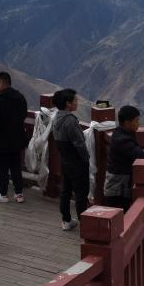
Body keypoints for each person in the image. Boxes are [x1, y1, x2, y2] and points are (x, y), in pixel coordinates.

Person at [0, 71, 28, 204]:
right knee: (16, 166)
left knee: (2, 168)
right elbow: (24, 115)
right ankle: (19, 194)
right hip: (17, 139)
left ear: (1, 83)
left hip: (1, 139)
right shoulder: (20, 97)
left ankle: (3, 194)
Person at [52, 88, 89, 230]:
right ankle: (84, 224)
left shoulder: (56, 118)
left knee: (65, 191)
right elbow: (79, 143)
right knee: (81, 193)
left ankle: (66, 220)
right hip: (76, 161)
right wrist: (86, 158)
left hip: (65, 159)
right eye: (75, 100)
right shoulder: (70, 121)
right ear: (68, 103)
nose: (77, 102)